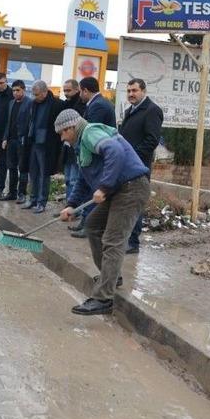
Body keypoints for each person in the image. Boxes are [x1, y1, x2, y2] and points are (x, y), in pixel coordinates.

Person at [56, 109, 151, 315]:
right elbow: (83, 179)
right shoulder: (81, 145)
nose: (62, 137)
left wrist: (104, 186)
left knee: (113, 239)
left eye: (63, 132)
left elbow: (115, 152)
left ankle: (103, 298)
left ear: (72, 127)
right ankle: (111, 276)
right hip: (119, 190)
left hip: (131, 188)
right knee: (93, 225)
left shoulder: (90, 132)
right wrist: (71, 204)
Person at [119, 78, 163, 254]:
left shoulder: (152, 110)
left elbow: (152, 140)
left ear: (143, 91)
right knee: (124, 203)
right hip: (125, 166)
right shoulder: (130, 110)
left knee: (135, 204)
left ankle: (133, 242)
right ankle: (125, 239)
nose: (131, 94)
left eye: (134, 91)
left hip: (138, 167)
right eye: (129, 91)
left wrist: (132, 157)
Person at [69, 76, 117, 237]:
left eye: (80, 91)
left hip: (97, 155)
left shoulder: (99, 106)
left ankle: (88, 226)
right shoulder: (97, 104)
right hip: (95, 153)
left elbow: (89, 132)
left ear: (85, 90)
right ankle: (85, 222)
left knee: (92, 190)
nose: (79, 96)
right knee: (86, 186)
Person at [23, 80, 62, 214]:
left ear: (45, 92)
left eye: (37, 94)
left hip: (47, 145)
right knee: (33, 173)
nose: (35, 97)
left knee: (43, 174)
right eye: (34, 94)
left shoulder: (56, 104)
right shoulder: (34, 104)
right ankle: (32, 199)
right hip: (34, 142)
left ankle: (41, 202)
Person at [0, 80, 32, 202]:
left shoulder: (29, 103)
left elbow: (30, 123)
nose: (15, 93)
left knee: (22, 168)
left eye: (18, 90)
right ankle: (12, 193)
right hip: (11, 140)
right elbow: (8, 122)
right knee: (11, 167)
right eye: (13, 90)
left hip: (22, 140)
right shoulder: (11, 103)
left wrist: (27, 139)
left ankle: (21, 194)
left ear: (23, 90)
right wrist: (5, 138)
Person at [61, 79, 86, 205]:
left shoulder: (81, 106)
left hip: (77, 148)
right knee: (67, 179)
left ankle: (75, 208)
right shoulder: (65, 104)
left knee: (74, 180)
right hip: (67, 148)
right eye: (64, 90)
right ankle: (68, 205)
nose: (66, 93)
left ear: (77, 90)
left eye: (69, 90)